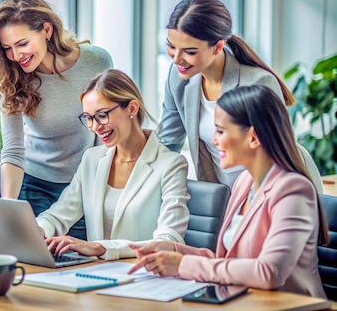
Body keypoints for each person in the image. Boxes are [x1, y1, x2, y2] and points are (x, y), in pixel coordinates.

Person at [129, 85, 328, 298]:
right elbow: (229, 262)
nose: (214, 140)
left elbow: (269, 272)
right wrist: (174, 250)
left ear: (253, 137)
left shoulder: (293, 190)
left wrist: (182, 265)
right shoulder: (244, 183)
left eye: (221, 131)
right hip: (244, 302)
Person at [0, 0, 113, 240]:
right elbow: (14, 150)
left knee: (71, 262)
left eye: (22, 44)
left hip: (81, 186)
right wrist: (9, 207)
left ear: (46, 30)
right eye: (7, 48)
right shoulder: (11, 75)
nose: (16, 56)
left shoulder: (96, 62)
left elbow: (107, 135)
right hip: (32, 184)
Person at [36, 69, 190, 260]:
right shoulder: (92, 159)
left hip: (142, 276)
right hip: (95, 274)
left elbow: (169, 240)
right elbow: (59, 215)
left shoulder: (171, 164)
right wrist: (37, 229)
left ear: (132, 108)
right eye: (89, 118)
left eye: (102, 115)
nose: (95, 127)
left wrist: (100, 248)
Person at [157, 0, 295, 188]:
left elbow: (274, 160)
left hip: (265, 194)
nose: (176, 59)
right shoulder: (178, 76)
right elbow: (167, 143)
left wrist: (248, 210)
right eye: (171, 46)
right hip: (221, 199)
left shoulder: (257, 83)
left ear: (218, 46)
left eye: (189, 51)